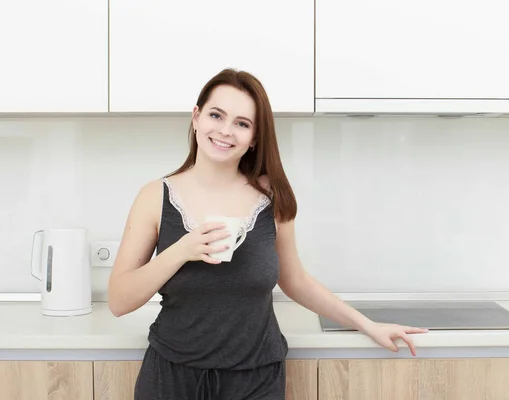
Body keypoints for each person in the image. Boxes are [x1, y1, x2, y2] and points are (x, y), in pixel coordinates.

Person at [107, 68, 428, 400]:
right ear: (197, 117)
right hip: (172, 379)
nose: (225, 131)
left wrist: (367, 324)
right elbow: (119, 300)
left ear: (254, 138)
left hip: (256, 380)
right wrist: (181, 250)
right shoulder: (154, 196)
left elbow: (295, 281)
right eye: (216, 115)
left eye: (242, 123)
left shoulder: (271, 198)